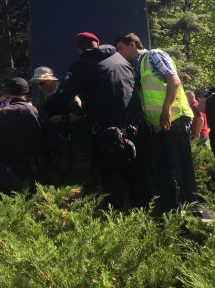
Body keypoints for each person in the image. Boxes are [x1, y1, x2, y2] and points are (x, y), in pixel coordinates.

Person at [43, 32, 150, 209]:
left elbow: (62, 97)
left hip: (108, 134)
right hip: (135, 128)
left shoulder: (82, 65)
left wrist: (38, 113)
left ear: (79, 49)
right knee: (138, 176)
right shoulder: (121, 60)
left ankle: (115, 217)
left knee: (112, 178)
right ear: (98, 44)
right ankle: (143, 214)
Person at [115, 33, 201, 213]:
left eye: (120, 49)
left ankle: (194, 211)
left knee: (181, 168)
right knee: (165, 171)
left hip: (174, 120)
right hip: (157, 126)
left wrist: (166, 110)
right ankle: (172, 213)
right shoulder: (137, 65)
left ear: (132, 44)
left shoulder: (154, 55)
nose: (119, 54)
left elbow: (174, 81)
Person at [0, 78, 51, 193]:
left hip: (6, 175)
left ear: (8, 94)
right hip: (34, 173)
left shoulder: (0, 114)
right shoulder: (37, 112)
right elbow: (53, 141)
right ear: (27, 93)